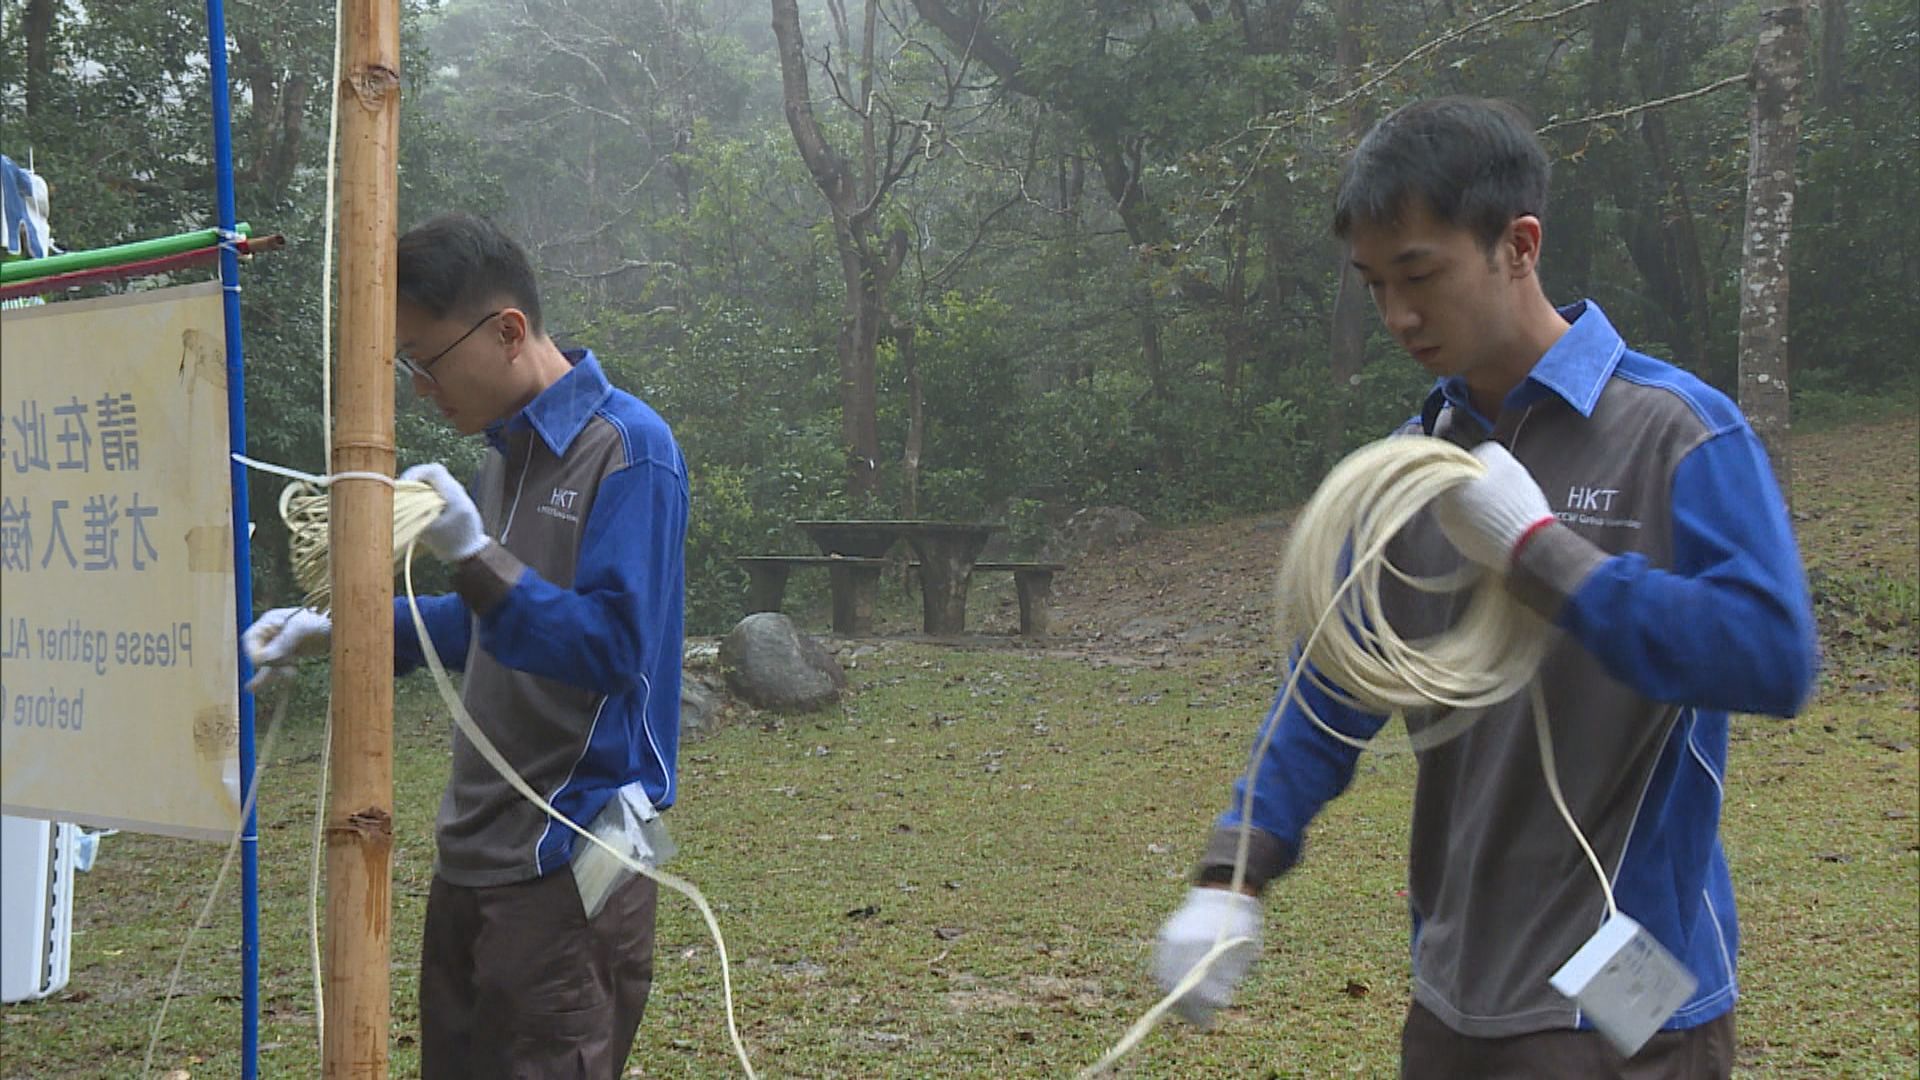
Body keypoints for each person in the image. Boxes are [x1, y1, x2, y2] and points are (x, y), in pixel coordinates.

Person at [1152, 97, 1817, 1078]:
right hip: (1455, 994)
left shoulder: (1677, 433)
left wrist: (1542, 553)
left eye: (1420, 275)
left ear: (1519, 244)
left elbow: (1774, 656)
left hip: (1628, 1010)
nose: (1399, 317)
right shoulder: (1407, 471)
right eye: (1375, 285)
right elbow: (1331, 689)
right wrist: (1232, 872)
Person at [242, 213, 690, 1078]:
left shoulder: (629, 452)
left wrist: (473, 553)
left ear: (508, 331)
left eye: (427, 359)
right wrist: (344, 632)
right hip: (473, 858)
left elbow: (611, 647)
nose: (419, 387)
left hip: (565, 863)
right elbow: (486, 626)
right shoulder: (503, 457)